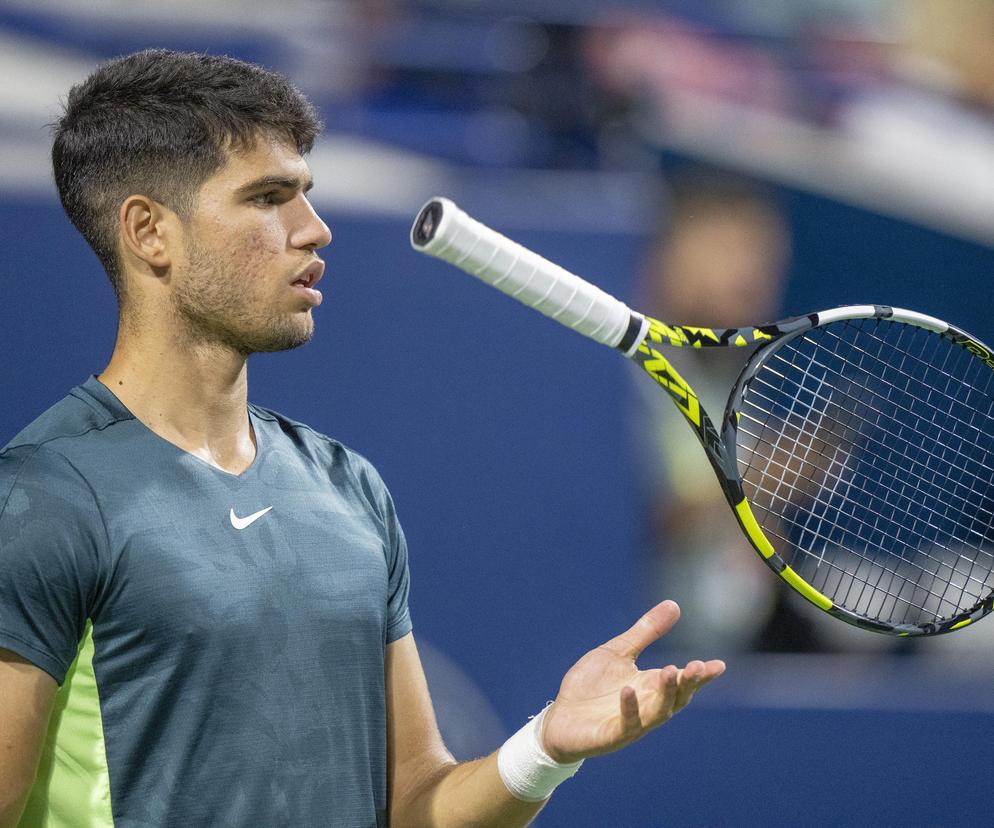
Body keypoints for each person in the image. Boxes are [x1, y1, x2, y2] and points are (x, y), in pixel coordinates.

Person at [0, 50, 724, 827]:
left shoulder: (347, 488)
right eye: (268, 198)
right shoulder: (45, 500)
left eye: (306, 194)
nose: (315, 230)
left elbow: (416, 806)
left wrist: (545, 748)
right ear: (149, 232)